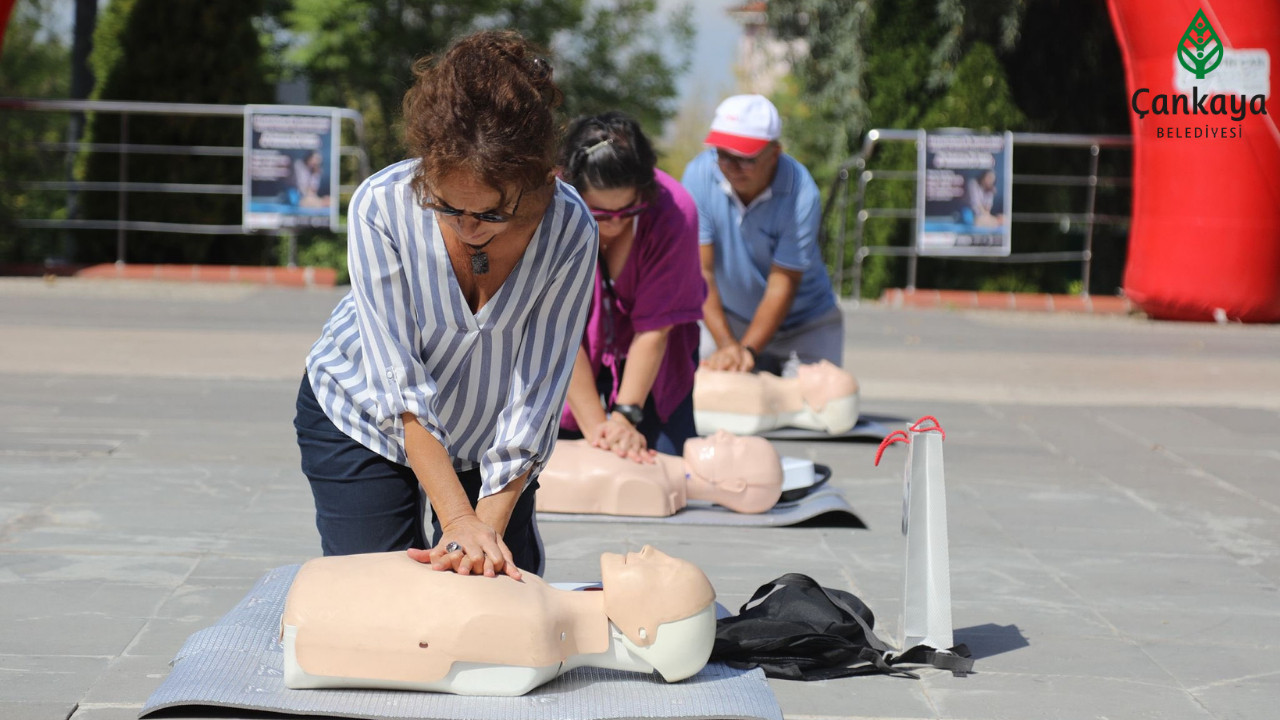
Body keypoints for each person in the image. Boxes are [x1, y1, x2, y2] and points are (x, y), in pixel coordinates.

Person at [293, 30, 597, 580]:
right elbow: (398, 385)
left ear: (534, 182)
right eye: (447, 206)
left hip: (494, 443)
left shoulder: (570, 229)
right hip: (365, 414)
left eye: (489, 214)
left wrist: (481, 530)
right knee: (383, 597)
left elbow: (539, 390)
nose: (466, 227)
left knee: (499, 597)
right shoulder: (381, 207)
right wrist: (455, 517)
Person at [281, 546, 717, 695]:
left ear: (643, 633)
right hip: (318, 606)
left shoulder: (534, 632)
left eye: (663, 569)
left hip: (313, 617)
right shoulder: (538, 614)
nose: (650, 552)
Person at [556, 112, 705, 461]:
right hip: (567, 362)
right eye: (601, 214)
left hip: (656, 361)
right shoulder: (551, 209)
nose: (615, 224)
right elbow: (558, 330)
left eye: (629, 210)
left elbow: (656, 330)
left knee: (667, 465)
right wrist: (598, 430)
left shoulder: (675, 211)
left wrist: (625, 417)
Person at [682, 94, 844, 376]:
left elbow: (783, 283)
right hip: (728, 319)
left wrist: (747, 351)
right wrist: (728, 346)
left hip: (805, 324)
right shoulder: (699, 175)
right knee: (697, 394)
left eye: (745, 158)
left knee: (822, 406)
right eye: (722, 154)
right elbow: (701, 272)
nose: (731, 167)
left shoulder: (801, 192)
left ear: (775, 153)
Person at [537, 430, 783, 517]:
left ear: (733, 484)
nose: (722, 434)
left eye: (735, 445)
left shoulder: (652, 488)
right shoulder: (656, 466)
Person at [693, 360, 859, 436]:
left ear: (818, 405)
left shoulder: (757, 400)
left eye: (830, 376)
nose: (825, 364)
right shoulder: (762, 393)